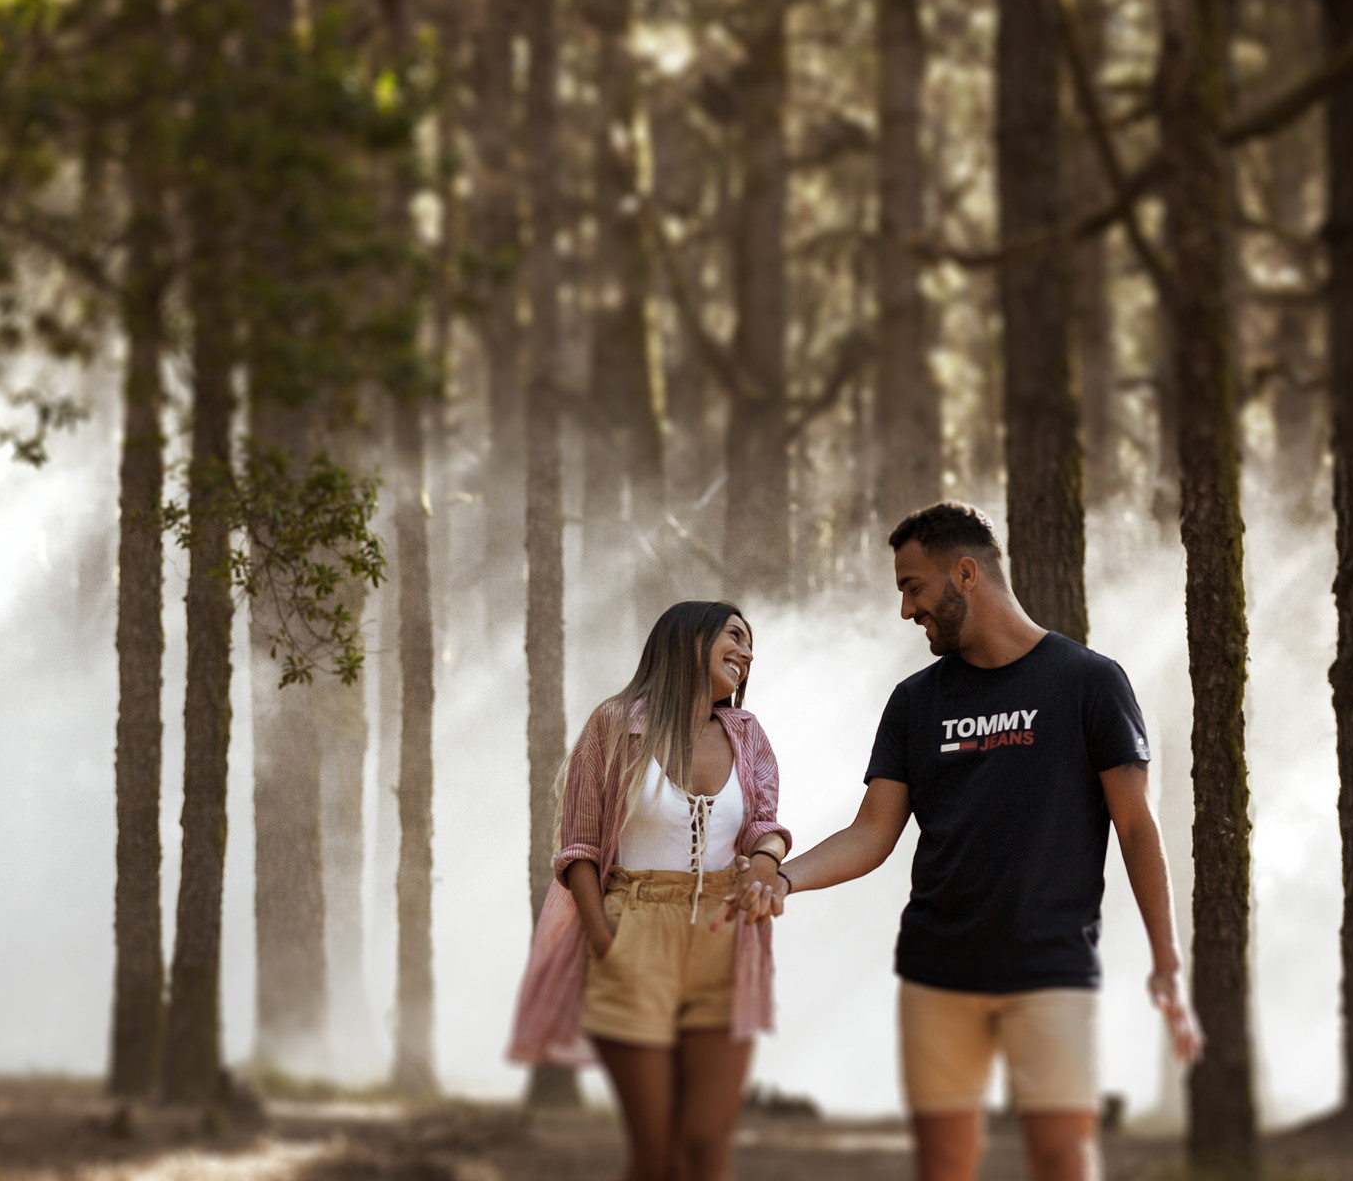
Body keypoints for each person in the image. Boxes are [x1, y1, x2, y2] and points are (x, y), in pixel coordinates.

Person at [727, 503, 1204, 1181]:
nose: (905, 610)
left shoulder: (1089, 682)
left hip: (1051, 967)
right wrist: (781, 879)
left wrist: (1167, 962)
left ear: (966, 573)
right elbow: (873, 831)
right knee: (945, 1166)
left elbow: (1135, 825)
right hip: (937, 972)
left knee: (1064, 1158)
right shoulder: (914, 703)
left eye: (912, 586)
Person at [509, 601, 790, 1181]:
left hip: (725, 934)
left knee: (707, 1147)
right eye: (734, 636)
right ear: (689, 638)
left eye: (750, 642)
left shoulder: (747, 734)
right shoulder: (613, 724)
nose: (747, 651)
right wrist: (606, 943)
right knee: (657, 1153)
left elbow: (763, 823)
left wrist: (766, 860)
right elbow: (580, 847)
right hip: (632, 930)